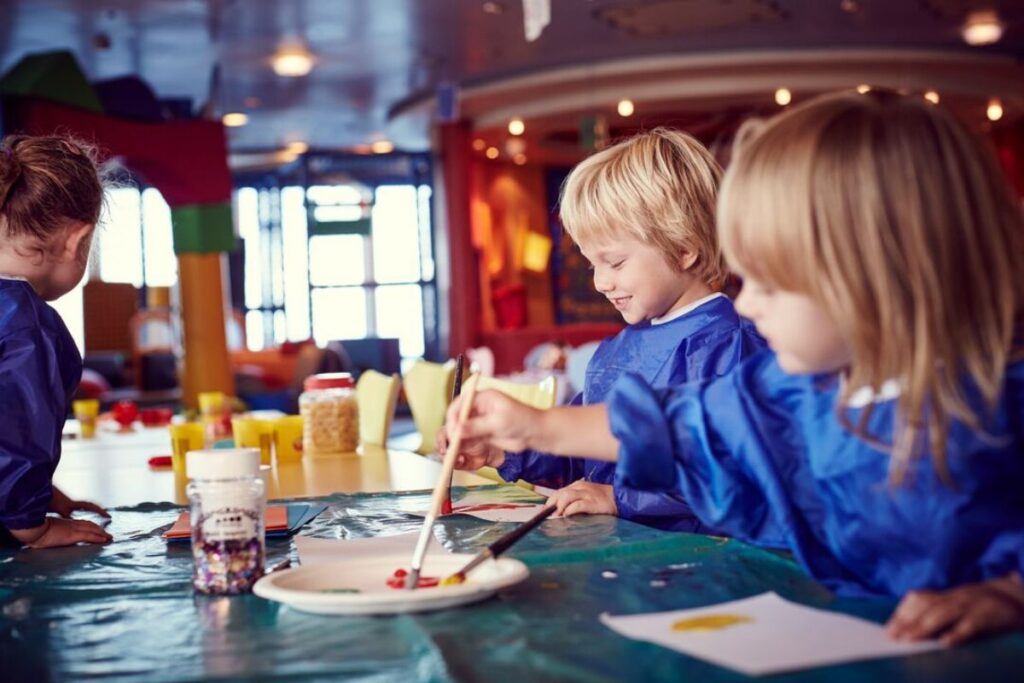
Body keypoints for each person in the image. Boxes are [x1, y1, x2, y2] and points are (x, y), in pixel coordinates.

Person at [446, 91, 1024, 645]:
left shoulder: (1000, 408)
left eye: (770, 281)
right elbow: (687, 426)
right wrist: (528, 432)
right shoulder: (794, 393)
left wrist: (1009, 592)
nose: (746, 304)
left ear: (878, 279)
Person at [444, 128, 764, 532]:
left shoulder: (726, 345)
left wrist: (618, 498)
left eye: (614, 262)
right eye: (591, 263)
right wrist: (504, 453)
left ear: (684, 248)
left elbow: (727, 473)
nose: (599, 282)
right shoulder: (615, 351)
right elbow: (577, 454)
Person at [0, 134, 112, 548]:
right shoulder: (29, 326)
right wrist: (35, 526)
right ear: (75, 241)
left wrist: (43, 493)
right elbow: (14, 436)